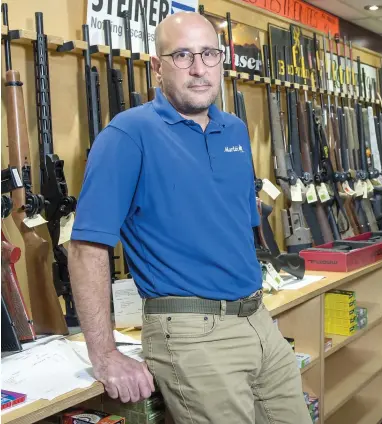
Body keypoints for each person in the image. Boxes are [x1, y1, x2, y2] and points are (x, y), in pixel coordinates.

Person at [68, 11, 312, 424]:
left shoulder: (233, 129)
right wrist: (105, 354)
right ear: (157, 68)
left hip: (258, 320)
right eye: (182, 56)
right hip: (191, 331)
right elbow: (85, 248)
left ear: (221, 61)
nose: (199, 69)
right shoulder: (128, 135)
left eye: (209, 54)